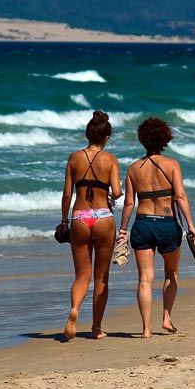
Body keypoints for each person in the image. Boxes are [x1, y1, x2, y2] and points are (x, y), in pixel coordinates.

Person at [118, 117, 195, 339]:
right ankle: (166, 318)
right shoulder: (172, 165)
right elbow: (180, 196)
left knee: (145, 278)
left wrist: (123, 230)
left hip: (142, 224)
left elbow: (129, 203)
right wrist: (191, 225)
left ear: (142, 139)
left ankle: (145, 329)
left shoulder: (134, 168)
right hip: (166, 224)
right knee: (171, 273)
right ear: (165, 139)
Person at [60, 111, 122, 340]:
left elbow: (67, 194)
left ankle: (75, 309)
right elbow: (116, 192)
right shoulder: (111, 160)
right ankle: (96, 328)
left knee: (81, 275)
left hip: (79, 217)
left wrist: (64, 220)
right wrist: (118, 191)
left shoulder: (74, 157)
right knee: (101, 276)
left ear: (88, 134)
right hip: (103, 217)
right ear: (106, 137)